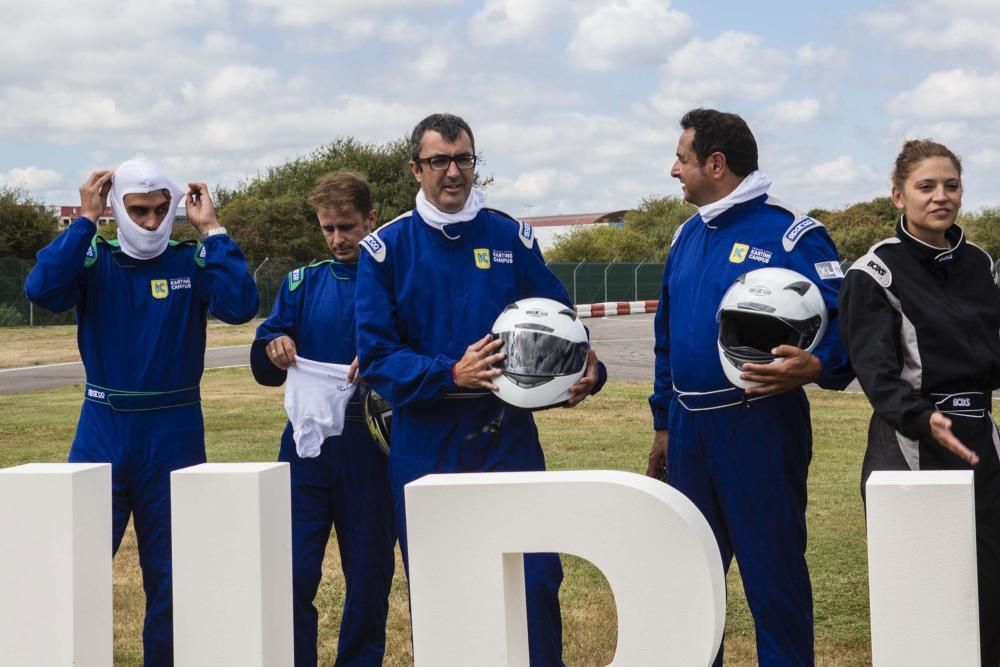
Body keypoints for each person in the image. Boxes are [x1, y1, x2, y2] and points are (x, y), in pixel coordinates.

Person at [354, 112, 607, 666]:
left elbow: (559, 318)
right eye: (439, 161)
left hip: (507, 435)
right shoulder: (386, 248)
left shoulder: (508, 235)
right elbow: (376, 357)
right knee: (443, 584)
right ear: (415, 168)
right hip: (425, 438)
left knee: (535, 578)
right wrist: (449, 374)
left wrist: (590, 367)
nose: (453, 172)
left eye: (463, 159)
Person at [24, 158, 259, 666]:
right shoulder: (93, 260)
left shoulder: (190, 262)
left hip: (174, 433)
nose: (151, 222)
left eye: (160, 210)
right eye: (138, 210)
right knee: (72, 568)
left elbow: (241, 305)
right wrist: (84, 222)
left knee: (173, 579)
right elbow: (41, 290)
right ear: (116, 207)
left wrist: (213, 230)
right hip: (102, 430)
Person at [645, 109, 852, 666]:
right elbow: (667, 334)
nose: (673, 170)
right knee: (689, 579)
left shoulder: (792, 233)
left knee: (773, 577)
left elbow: (846, 324)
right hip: (690, 432)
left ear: (716, 163)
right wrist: (663, 424)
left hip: (759, 426)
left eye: (681, 159)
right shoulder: (687, 234)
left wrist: (819, 364)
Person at [839, 139, 1000, 666]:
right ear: (898, 195)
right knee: (930, 586)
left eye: (951, 185)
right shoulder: (874, 272)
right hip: (911, 440)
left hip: (981, 437)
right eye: (926, 186)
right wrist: (920, 417)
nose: (941, 197)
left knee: (990, 581)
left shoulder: (979, 263)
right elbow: (876, 373)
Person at [251, 172, 396, 666]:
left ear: (371, 219)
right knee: (290, 571)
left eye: (348, 227)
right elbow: (263, 352)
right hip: (306, 451)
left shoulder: (395, 278)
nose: (337, 239)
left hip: (372, 448)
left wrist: (383, 361)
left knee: (369, 578)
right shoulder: (301, 283)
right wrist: (273, 348)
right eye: (328, 228)